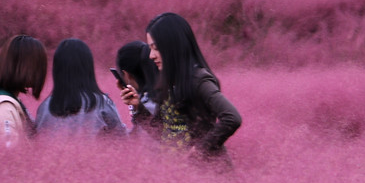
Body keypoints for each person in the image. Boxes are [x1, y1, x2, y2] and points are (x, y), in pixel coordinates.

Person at [121, 12, 241, 162]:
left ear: (173, 47)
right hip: (180, 172)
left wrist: (199, 150)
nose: (151, 55)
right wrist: (138, 106)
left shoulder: (198, 79)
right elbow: (162, 133)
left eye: (156, 48)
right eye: (150, 48)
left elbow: (232, 117)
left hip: (209, 175)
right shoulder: (169, 83)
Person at [35, 38, 126, 138]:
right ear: (88, 67)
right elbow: (122, 139)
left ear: (57, 70)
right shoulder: (102, 103)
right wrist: (135, 110)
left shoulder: (44, 108)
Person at [0, 35, 48, 150]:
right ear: (22, 67)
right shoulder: (5, 108)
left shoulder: (7, 99)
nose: (41, 73)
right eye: (37, 66)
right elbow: (7, 156)